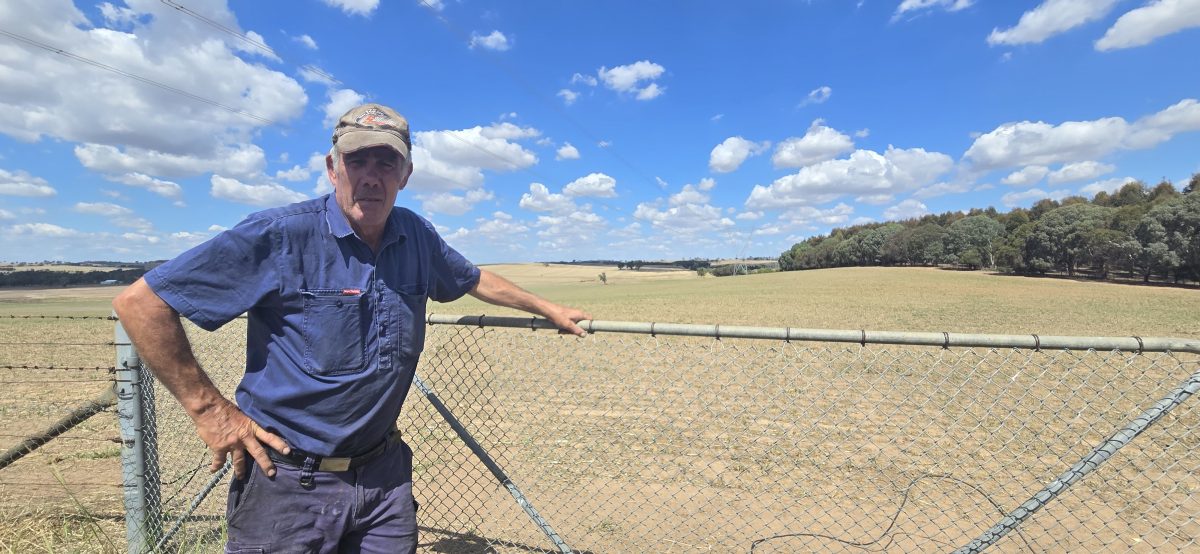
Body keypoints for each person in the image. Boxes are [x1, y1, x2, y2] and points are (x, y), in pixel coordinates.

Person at [112, 102, 591, 553]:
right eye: (357, 160)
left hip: (383, 479)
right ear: (332, 166)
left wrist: (546, 307)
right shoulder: (281, 235)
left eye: (386, 163)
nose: (371, 177)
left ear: (405, 175)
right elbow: (141, 302)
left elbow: (472, 278)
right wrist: (211, 412)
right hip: (285, 483)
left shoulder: (415, 234)